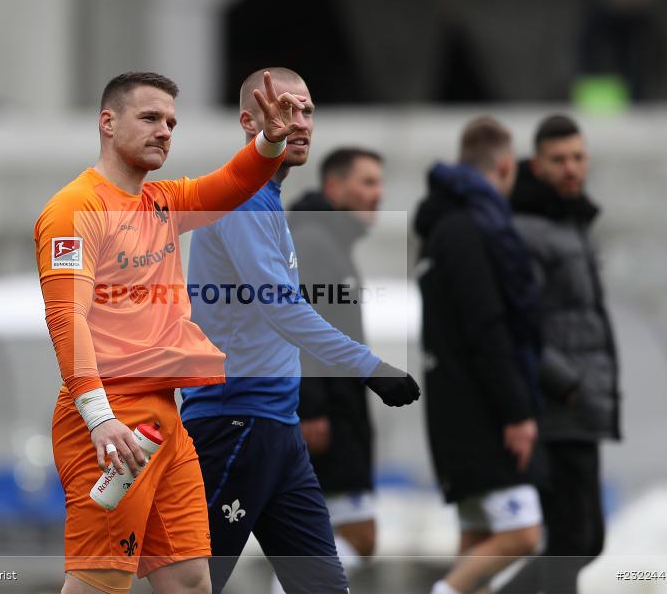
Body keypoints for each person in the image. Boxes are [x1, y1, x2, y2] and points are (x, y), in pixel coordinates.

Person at [34, 70, 306, 594]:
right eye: (150, 118)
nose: (164, 131)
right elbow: (67, 318)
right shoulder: (75, 208)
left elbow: (232, 183)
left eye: (171, 123)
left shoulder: (161, 201)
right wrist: (100, 419)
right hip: (111, 418)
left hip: (164, 419)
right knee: (99, 581)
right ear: (107, 123)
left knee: (189, 581)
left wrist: (270, 142)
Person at [180, 67, 420, 594]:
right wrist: (370, 367)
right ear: (250, 122)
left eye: (307, 111)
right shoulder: (241, 198)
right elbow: (283, 310)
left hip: (278, 428)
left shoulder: (268, 200)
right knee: (192, 585)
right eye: (285, 110)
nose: (301, 122)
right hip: (234, 421)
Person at [413, 116, 544, 594]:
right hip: (481, 414)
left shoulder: (439, 230)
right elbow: (487, 327)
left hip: (451, 409)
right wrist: (516, 412)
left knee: (478, 542)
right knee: (523, 534)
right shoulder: (473, 230)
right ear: (506, 167)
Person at [510, 114, 621, 594]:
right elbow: (520, 322)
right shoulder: (528, 230)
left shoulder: (571, 224)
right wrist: (567, 384)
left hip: (580, 408)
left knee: (584, 540)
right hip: (557, 409)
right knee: (573, 540)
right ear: (537, 166)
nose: (571, 168)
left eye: (577, 157)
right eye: (558, 160)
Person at [288, 148, 386, 575]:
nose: (378, 194)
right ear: (334, 186)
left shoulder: (329, 242)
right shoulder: (313, 242)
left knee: (317, 542)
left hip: (336, 412)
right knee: (356, 536)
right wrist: (310, 406)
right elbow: (297, 326)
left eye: (379, 183)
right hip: (325, 417)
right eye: (367, 182)